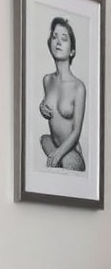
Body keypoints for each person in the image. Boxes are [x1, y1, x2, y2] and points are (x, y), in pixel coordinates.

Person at [39, 16, 86, 171]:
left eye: (64, 38)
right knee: (43, 140)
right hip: (52, 143)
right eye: (54, 37)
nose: (58, 41)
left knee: (67, 162)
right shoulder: (47, 80)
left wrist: (59, 154)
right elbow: (52, 105)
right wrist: (42, 107)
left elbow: (76, 131)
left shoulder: (78, 87)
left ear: (72, 51)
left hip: (69, 150)